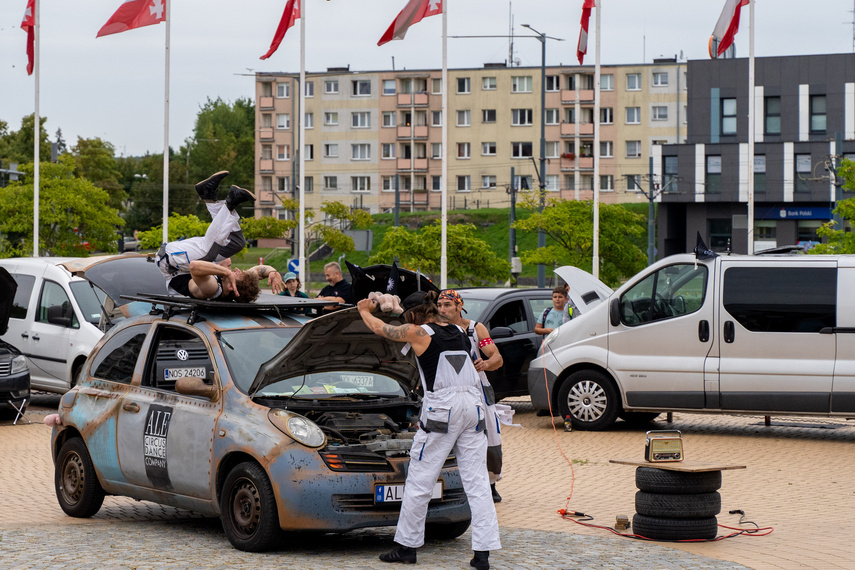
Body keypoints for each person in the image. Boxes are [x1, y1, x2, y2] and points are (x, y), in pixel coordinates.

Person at [357, 291, 500, 570]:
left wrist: (364, 310)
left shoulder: (417, 332)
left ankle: (406, 547)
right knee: (478, 483)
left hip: (442, 411)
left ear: (412, 316)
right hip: (473, 408)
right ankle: (482, 554)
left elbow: (378, 328)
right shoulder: (460, 331)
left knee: (421, 480)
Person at [155, 171, 284, 302]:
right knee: (237, 243)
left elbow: (195, 266)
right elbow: (258, 270)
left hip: (169, 261)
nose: (236, 269)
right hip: (183, 261)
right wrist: (273, 272)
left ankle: (231, 203)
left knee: (208, 254)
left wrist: (226, 272)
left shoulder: (212, 289)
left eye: (236, 274)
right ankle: (208, 195)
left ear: (231, 286)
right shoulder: (233, 282)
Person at [436, 289, 505, 503]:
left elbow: (497, 357)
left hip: (478, 390)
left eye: (447, 305)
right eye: (440, 305)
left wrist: (485, 364)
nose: (442, 309)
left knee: (491, 435)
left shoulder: (475, 329)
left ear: (459, 306)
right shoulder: (434, 329)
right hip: (448, 391)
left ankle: (491, 483)